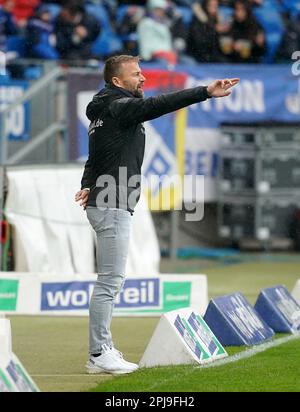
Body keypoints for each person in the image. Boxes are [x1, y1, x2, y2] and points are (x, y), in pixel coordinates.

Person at [75, 54, 239, 375]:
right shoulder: (120, 107)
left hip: (108, 199)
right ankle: (98, 353)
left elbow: (96, 156)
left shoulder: (104, 112)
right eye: (136, 75)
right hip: (112, 202)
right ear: (117, 82)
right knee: (110, 281)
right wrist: (204, 91)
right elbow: (158, 105)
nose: (143, 79)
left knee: (111, 280)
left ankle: (101, 350)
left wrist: (87, 184)